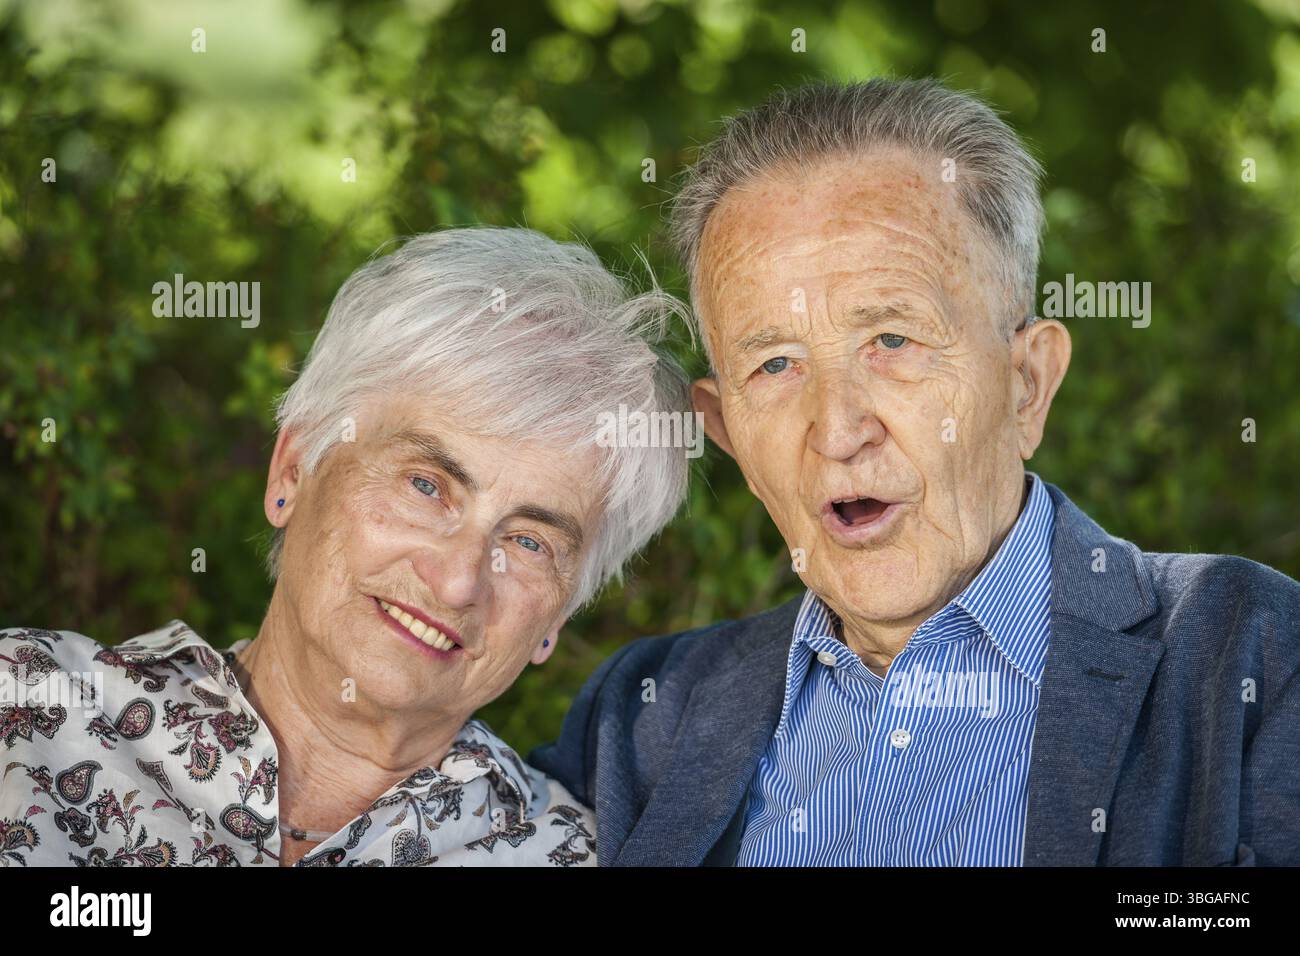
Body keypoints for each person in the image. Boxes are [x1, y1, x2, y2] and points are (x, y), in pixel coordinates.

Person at [530, 78, 1300, 866]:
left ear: (1027, 384)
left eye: (893, 341)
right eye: (775, 364)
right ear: (725, 431)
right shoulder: (640, 718)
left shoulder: (1252, 655)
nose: (837, 431)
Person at [0, 226, 691, 867]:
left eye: (530, 542)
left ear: (558, 616)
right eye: (426, 485)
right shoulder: (28, 712)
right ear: (292, 470)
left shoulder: (575, 857)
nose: (457, 581)